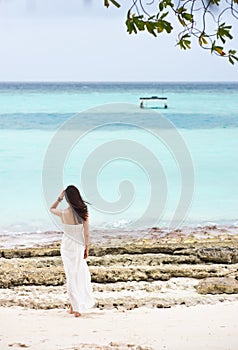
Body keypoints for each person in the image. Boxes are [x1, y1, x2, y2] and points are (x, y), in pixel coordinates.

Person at [50, 185, 94, 317]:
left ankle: (74, 307)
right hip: (78, 246)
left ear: (68, 199)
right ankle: (75, 307)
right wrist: (87, 248)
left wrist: (59, 198)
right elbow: (86, 234)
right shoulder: (83, 212)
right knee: (79, 274)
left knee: (71, 275)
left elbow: (51, 209)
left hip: (66, 247)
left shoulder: (63, 213)